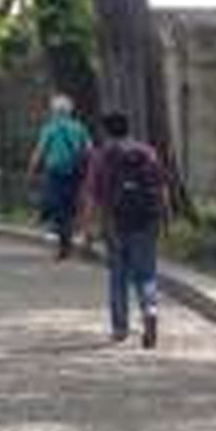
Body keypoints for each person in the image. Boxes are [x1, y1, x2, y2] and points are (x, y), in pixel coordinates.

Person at [83, 111, 167, 349]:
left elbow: (91, 196)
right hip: (147, 221)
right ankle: (150, 311)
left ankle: (120, 328)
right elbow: (162, 187)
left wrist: (88, 229)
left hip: (115, 224)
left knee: (118, 276)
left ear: (105, 131)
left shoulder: (101, 157)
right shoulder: (148, 152)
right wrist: (163, 217)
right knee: (147, 275)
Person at [28, 94, 91, 260]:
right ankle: (67, 240)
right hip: (75, 172)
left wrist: (32, 169)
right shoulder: (79, 127)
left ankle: (64, 242)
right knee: (70, 207)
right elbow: (88, 149)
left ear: (55, 111)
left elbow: (40, 151)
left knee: (57, 206)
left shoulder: (50, 128)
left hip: (55, 172)